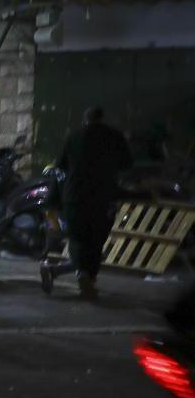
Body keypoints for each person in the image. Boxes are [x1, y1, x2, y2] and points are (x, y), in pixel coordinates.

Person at [40, 107, 133, 299]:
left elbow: (60, 165)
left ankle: (79, 274)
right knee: (96, 240)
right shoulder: (114, 136)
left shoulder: (74, 137)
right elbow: (127, 164)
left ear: (85, 120)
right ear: (103, 119)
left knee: (77, 238)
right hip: (102, 196)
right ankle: (87, 278)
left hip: (74, 196)